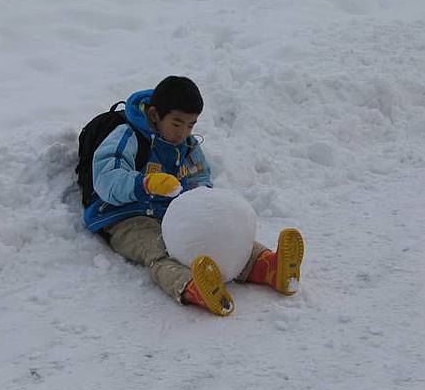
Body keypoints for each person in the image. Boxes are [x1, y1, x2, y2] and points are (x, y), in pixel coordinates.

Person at [82, 76, 304, 316]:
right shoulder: (127, 135)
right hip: (124, 215)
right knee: (159, 249)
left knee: (220, 236)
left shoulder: (187, 146)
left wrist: (204, 207)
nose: (183, 133)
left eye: (191, 125)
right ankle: (192, 286)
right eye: (177, 124)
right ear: (155, 115)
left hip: (169, 212)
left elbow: (199, 177)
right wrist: (144, 183)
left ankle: (268, 266)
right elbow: (106, 178)